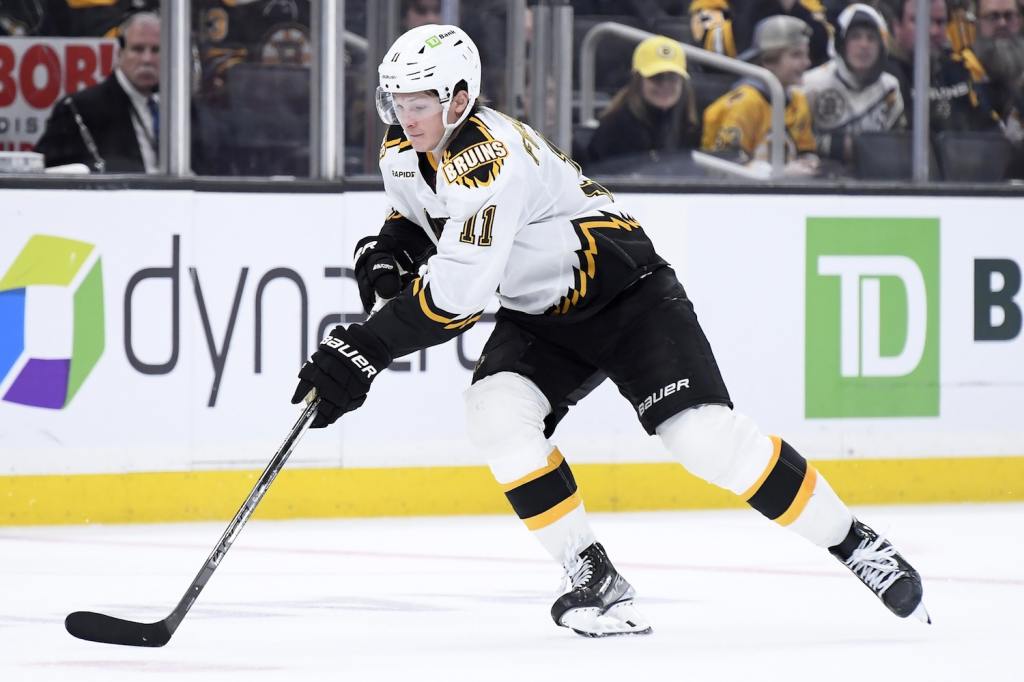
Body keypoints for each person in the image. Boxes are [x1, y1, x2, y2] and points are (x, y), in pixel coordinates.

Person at [292, 23, 930, 637]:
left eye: (420, 102)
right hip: (545, 318)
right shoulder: (404, 145)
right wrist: (392, 246)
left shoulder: (490, 157)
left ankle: (856, 544)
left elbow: (458, 294)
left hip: (629, 296)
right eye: (395, 101)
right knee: (492, 413)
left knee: (703, 439)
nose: (405, 117)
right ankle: (592, 575)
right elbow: (415, 212)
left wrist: (367, 348)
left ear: (460, 98)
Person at [33, 11, 161, 173]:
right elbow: (43, 177)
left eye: (156, 50)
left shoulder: (188, 111)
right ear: (120, 53)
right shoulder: (77, 110)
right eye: (138, 49)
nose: (147, 59)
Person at [701, 15, 820, 176]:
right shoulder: (745, 104)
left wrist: (810, 162)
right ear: (768, 60)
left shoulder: (798, 100)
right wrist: (780, 173)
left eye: (806, 55)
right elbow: (726, 168)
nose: (807, 63)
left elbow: (805, 149)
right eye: (796, 55)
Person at [803, 3, 905, 168]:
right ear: (841, 43)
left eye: (871, 38)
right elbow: (795, 140)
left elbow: (897, 144)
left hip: (875, 176)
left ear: (882, 46)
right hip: (819, 178)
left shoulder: (890, 88)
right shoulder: (812, 84)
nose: (864, 45)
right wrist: (838, 147)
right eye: (855, 37)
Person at [886, 0, 1001, 133]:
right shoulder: (884, 78)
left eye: (940, 22)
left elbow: (988, 129)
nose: (934, 31)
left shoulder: (959, 69)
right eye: (922, 21)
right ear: (897, 27)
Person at [586, 36, 701, 164]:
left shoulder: (691, 125)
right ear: (638, 81)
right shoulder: (614, 127)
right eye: (656, 77)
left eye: (673, 78)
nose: (665, 85)